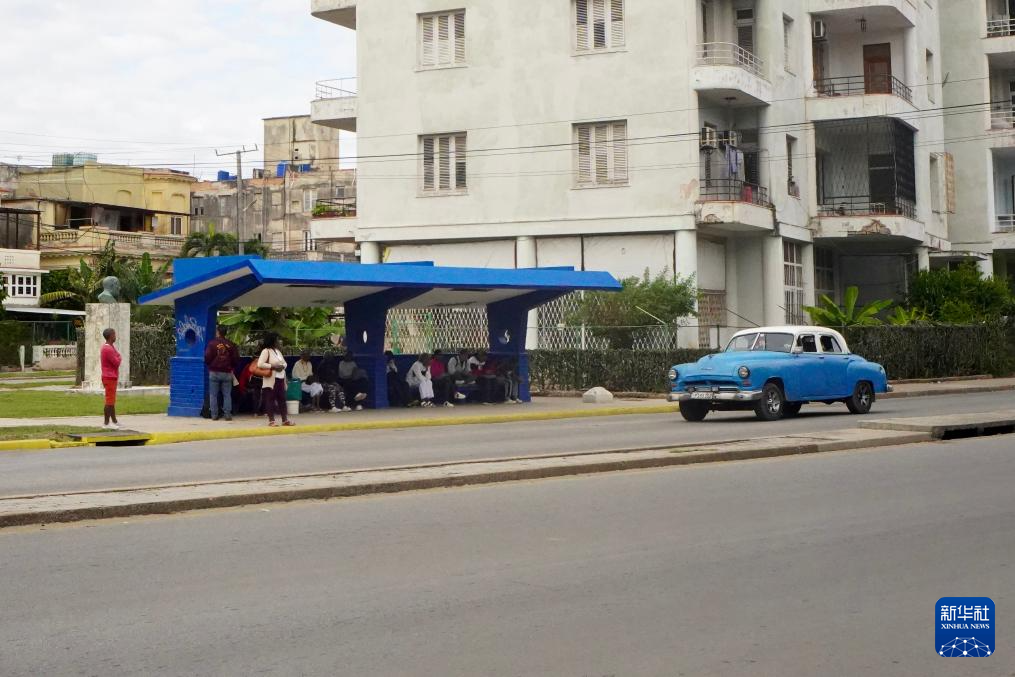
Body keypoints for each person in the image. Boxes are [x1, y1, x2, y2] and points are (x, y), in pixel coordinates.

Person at [257, 333, 294, 427]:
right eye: (277, 340)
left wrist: (282, 366)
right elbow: (260, 364)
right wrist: (273, 366)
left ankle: (285, 420)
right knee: (270, 399)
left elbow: (285, 363)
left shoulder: (278, 351)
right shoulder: (266, 351)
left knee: (282, 399)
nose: (279, 342)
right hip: (271, 380)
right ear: (272, 341)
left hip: (281, 379)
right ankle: (271, 421)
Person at [204, 325, 239, 421]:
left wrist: (211, 365)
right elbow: (235, 359)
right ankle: (227, 415)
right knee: (227, 394)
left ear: (218, 332)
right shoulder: (230, 344)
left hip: (214, 372)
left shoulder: (212, 343)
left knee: (213, 395)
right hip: (227, 372)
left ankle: (214, 415)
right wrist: (231, 366)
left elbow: (207, 357)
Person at [100, 327, 121, 430]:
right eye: (114, 334)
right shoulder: (107, 349)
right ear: (110, 336)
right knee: (109, 401)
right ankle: (106, 423)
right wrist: (119, 357)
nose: (115, 336)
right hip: (109, 377)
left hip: (110, 376)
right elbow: (117, 362)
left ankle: (114, 421)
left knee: (111, 400)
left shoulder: (110, 347)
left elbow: (117, 356)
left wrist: (118, 356)